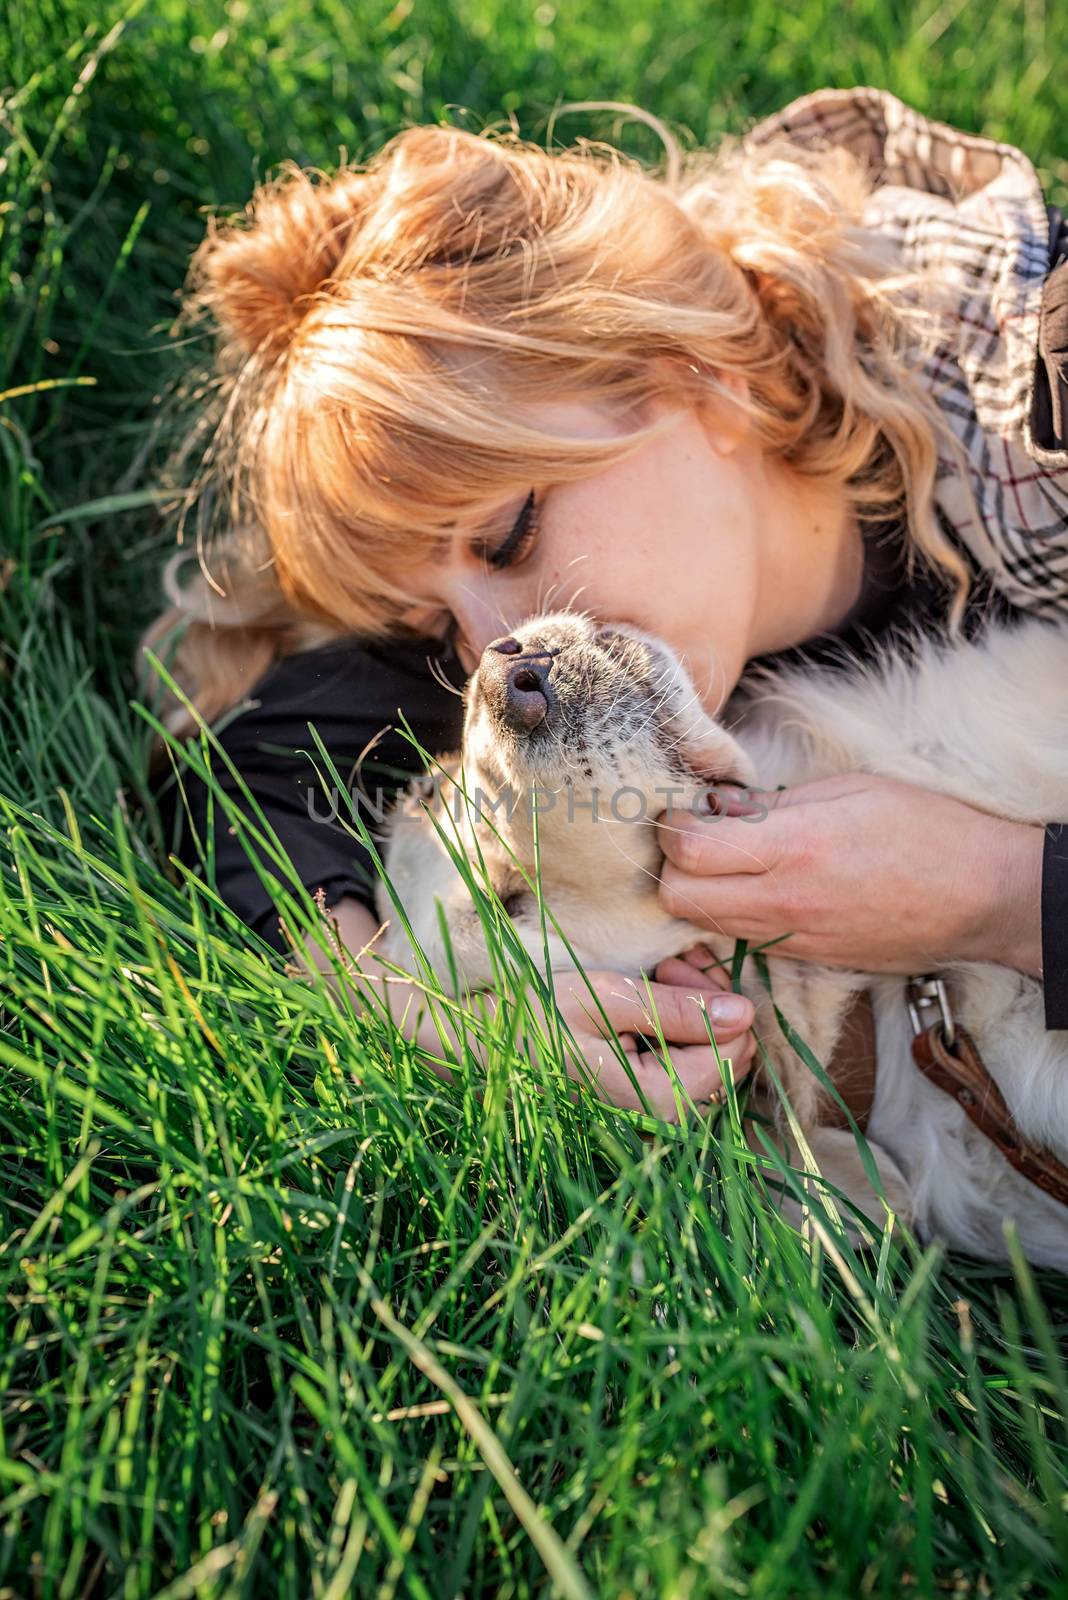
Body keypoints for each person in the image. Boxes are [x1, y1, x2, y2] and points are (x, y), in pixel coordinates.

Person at [146, 85, 1068, 1121]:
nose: (493, 652)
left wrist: (1009, 894)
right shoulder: (572, 636)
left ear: (702, 380)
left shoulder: (1037, 417)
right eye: (437, 624)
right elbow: (249, 767)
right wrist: (406, 1014)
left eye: (509, 535)